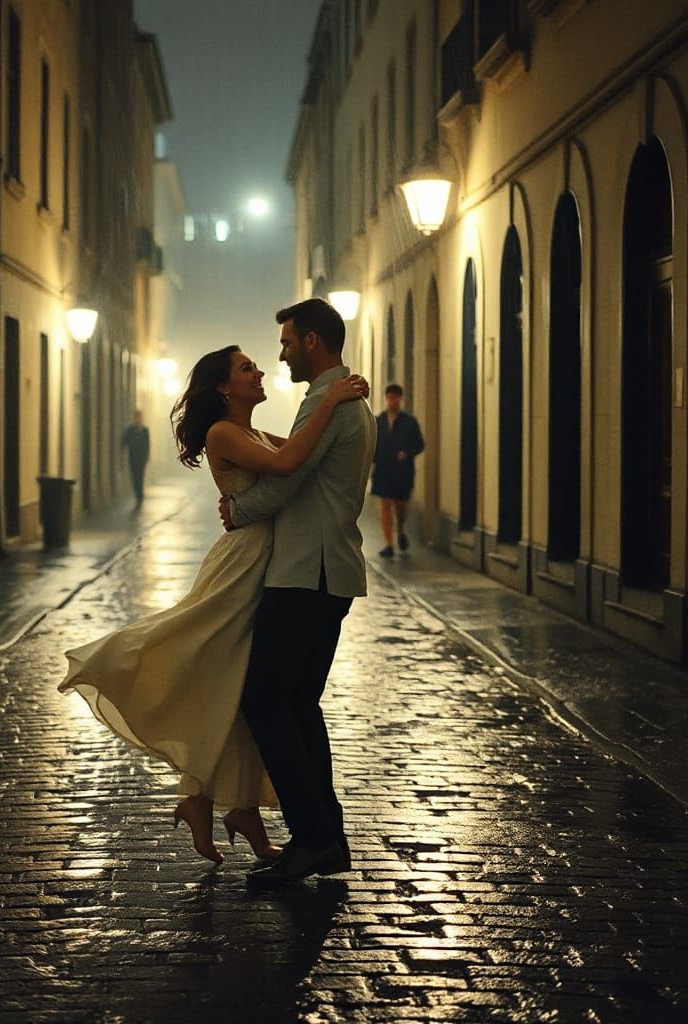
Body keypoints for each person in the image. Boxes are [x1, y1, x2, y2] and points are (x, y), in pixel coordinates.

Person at [58, 342, 369, 867]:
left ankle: (217, 801)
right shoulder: (223, 432)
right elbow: (292, 462)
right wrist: (333, 398)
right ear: (225, 386)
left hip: (267, 563)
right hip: (243, 565)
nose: (260, 370)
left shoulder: (248, 431)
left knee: (234, 681)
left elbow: (301, 454)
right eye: (247, 368)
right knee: (201, 658)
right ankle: (204, 790)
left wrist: (327, 412)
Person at [219, 297, 376, 887]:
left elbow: (288, 478)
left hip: (305, 573)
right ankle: (324, 838)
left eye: (286, 343)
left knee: (264, 701)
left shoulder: (331, 402)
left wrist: (238, 508)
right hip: (327, 570)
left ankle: (313, 837)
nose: (280, 354)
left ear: (312, 341)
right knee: (299, 706)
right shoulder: (346, 398)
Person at [371, 384, 425, 556]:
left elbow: (420, 445)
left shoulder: (410, 422)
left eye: (395, 397)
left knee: (400, 507)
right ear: (386, 398)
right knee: (384, 505)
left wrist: (407, 454)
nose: (392, 401)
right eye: (389, 397)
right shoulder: (378, 421)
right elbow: (372, 443)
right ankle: (389, 544)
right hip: (383, 469)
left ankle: (400, 530)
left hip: (402, 472)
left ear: (400, 399)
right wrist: (374, 459)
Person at [121, 410, 150, 508]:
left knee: (140, 477)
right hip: (132, 458)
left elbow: (147, 445)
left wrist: (146, 457)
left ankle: (140, 496)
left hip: (141, 459)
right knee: (134, 477)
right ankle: (138, 495)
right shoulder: (130, 430)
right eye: (136, 417)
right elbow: (124, 440)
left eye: (139, 417)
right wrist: (123, 448)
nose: (137, 419)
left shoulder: (145, 430)